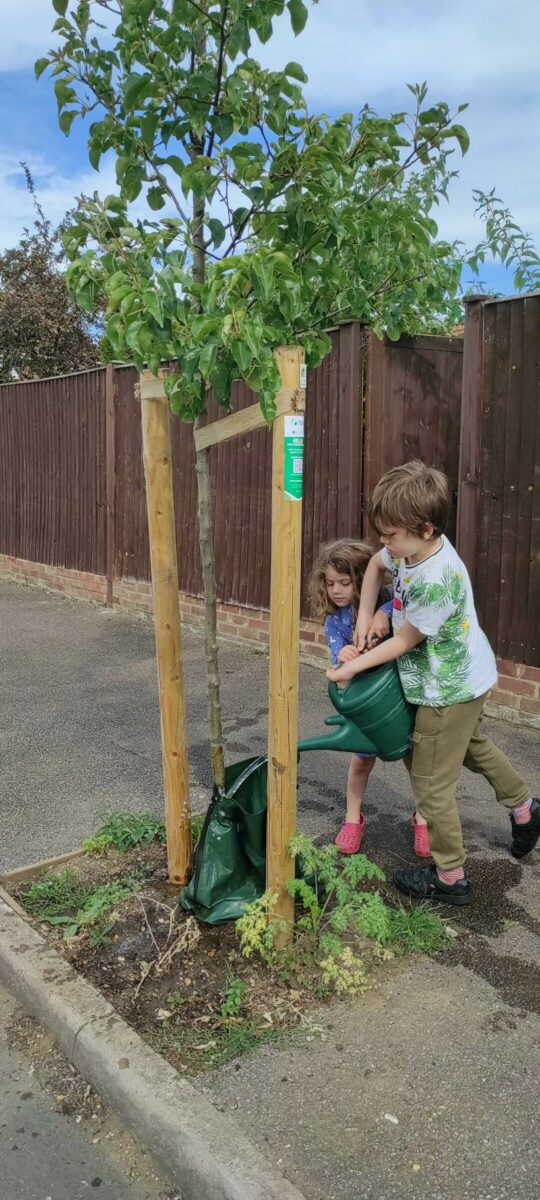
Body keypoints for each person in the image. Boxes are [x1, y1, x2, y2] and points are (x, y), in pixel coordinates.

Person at [327, 461, 539, 906]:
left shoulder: (436, 579)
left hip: (449, 689)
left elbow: (406, 640)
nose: (384, 544)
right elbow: (373, 568)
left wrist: (349, 668)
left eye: (390, 536)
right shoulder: (409, 550)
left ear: (423, 528)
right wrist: (369, 613)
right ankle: (525, 809)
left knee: (430, 782)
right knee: (471, 746)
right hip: (466, 676)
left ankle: (450, 875)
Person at [310, 537, 430, 857]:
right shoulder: (335, 620)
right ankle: (352, 819)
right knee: (361, 759)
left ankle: (423, 817)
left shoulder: (390, 598)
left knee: (413, 757)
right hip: (366, 703)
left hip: (398, 696)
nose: (336, 590)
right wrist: (344, 658)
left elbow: (406, 611)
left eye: (345, 583)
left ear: (363, 580)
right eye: (331, 583)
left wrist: (385, 612)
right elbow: (339, 662)